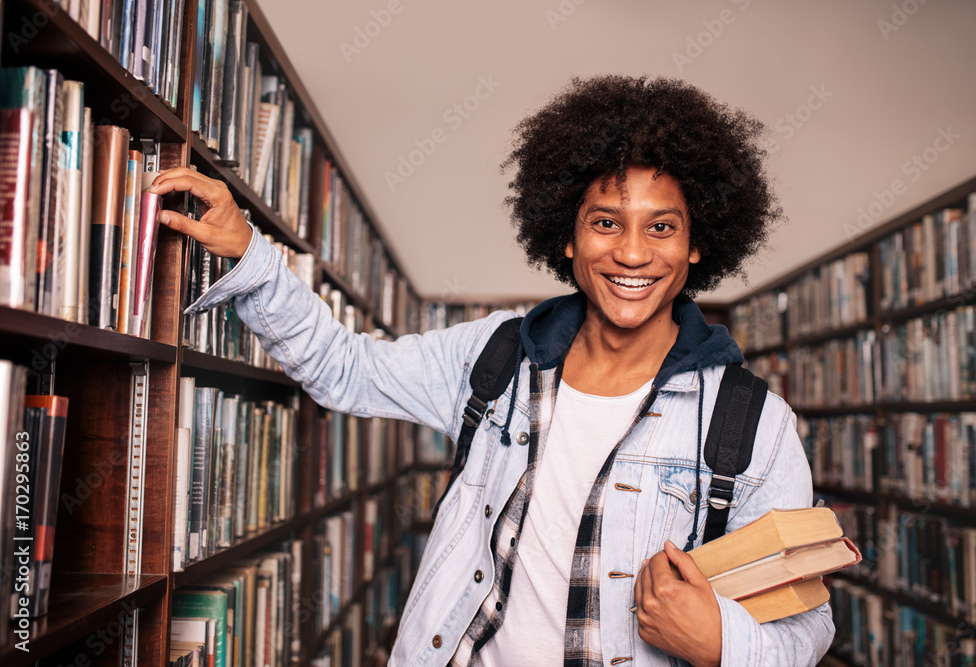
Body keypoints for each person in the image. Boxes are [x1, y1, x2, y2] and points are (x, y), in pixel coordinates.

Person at [150, 75, 835, 666]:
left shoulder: (751, 421)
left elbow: (809, 620)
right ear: (566, 236)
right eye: (605, 221)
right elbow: (346, 369)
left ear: (696, 247)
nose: (631, 253)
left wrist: (722, 642)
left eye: (661, 227)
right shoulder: (496, 357)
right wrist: (249, 253)